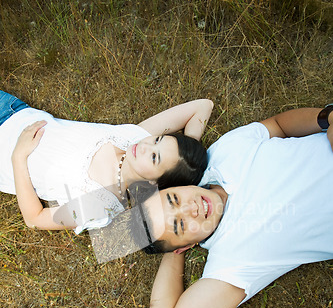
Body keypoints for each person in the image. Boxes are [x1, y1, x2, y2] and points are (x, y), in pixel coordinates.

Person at [135, 105, 333, 308]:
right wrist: (172, 251)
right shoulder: (231, 262)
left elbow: (277, 125)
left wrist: (327, 117)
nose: (191, 209)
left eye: (174, 199)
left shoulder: (224, 151)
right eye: (180, 225)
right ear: (185, 246)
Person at [0, 90, 212, 233]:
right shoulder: (131, 138)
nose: (147, 147)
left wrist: (18, 156)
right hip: (11, 110)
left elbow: (35, 219)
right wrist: (187, 150)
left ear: (154, 182)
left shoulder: (99, 206)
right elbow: (202, 106)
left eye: (155, 157)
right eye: (157, 140)